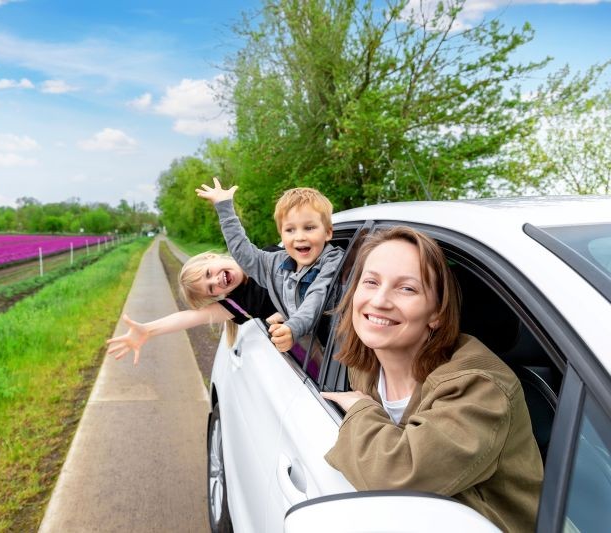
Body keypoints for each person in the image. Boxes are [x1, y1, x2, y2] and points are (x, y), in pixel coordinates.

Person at [321, 226, 543, 532]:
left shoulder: (480, 386)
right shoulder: (366, 362)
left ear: (437, 312)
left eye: (407, 288)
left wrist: (360, 409)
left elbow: (397, 477)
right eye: (370, 282)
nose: (380, 300)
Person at [196, 178, 343, 352]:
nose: (299, 237)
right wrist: (224, 207)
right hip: (328, 353)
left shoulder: (332, 261)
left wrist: (292, 328)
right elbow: (244, 254)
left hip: (349, 351)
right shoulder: (277, 264)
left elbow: (316, 298)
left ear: (327, 233)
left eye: (309, 228)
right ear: (281, 235)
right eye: (290, 230)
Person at [106, 252, 280, 364]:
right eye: (211, 289)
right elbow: (190, 317)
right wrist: (148, 330)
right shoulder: (239, 304)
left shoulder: (264, 254)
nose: (215, 281)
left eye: (208, 274)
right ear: (215, 297)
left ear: (212, 257)